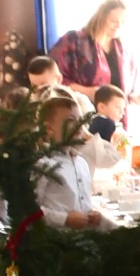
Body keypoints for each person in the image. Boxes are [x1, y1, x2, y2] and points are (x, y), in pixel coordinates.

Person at [34, 91, 101, 230]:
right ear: (49, 128)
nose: (79, 125)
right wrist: (64, 219)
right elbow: (30, 209)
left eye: (80, 120)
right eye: (70, 120)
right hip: (55, 239)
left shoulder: (81, 163)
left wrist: (91, 213)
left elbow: (82, 201)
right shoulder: (42, 164)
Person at [50, 0, 137, 104]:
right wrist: (86, 92)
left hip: (115, 113)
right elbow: (50, 78)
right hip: (81, 109)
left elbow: (124, 89)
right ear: (101, 18)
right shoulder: (74, 40)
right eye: (114, 21)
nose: (119, 25)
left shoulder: (124, 51)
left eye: (123, 22)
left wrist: (132, 96)